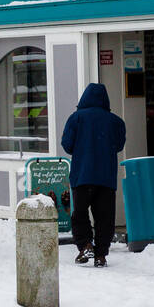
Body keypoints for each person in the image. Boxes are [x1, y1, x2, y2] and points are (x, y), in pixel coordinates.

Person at [61, 82, 126, 268]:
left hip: (82, 175)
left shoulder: (76, 118)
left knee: (80, 213)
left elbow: (67, 145)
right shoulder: (116, 121)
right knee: (105, 217)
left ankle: (85, 244)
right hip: (106, 177)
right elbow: (119, 145)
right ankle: (101, 255)